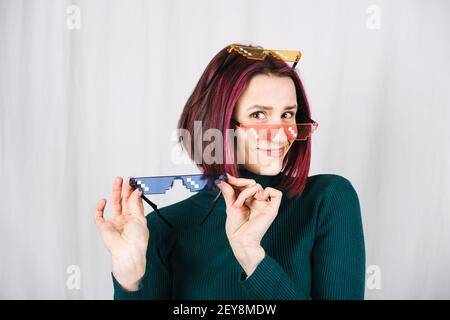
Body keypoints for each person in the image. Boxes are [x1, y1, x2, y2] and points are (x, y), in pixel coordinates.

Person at [94, 43, 366, 299]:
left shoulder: (328, 199)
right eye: (259, 115)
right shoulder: (158, 229)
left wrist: (251, 255)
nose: (281, 134)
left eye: (287, 115)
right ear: (220, 123)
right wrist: (130, 280)